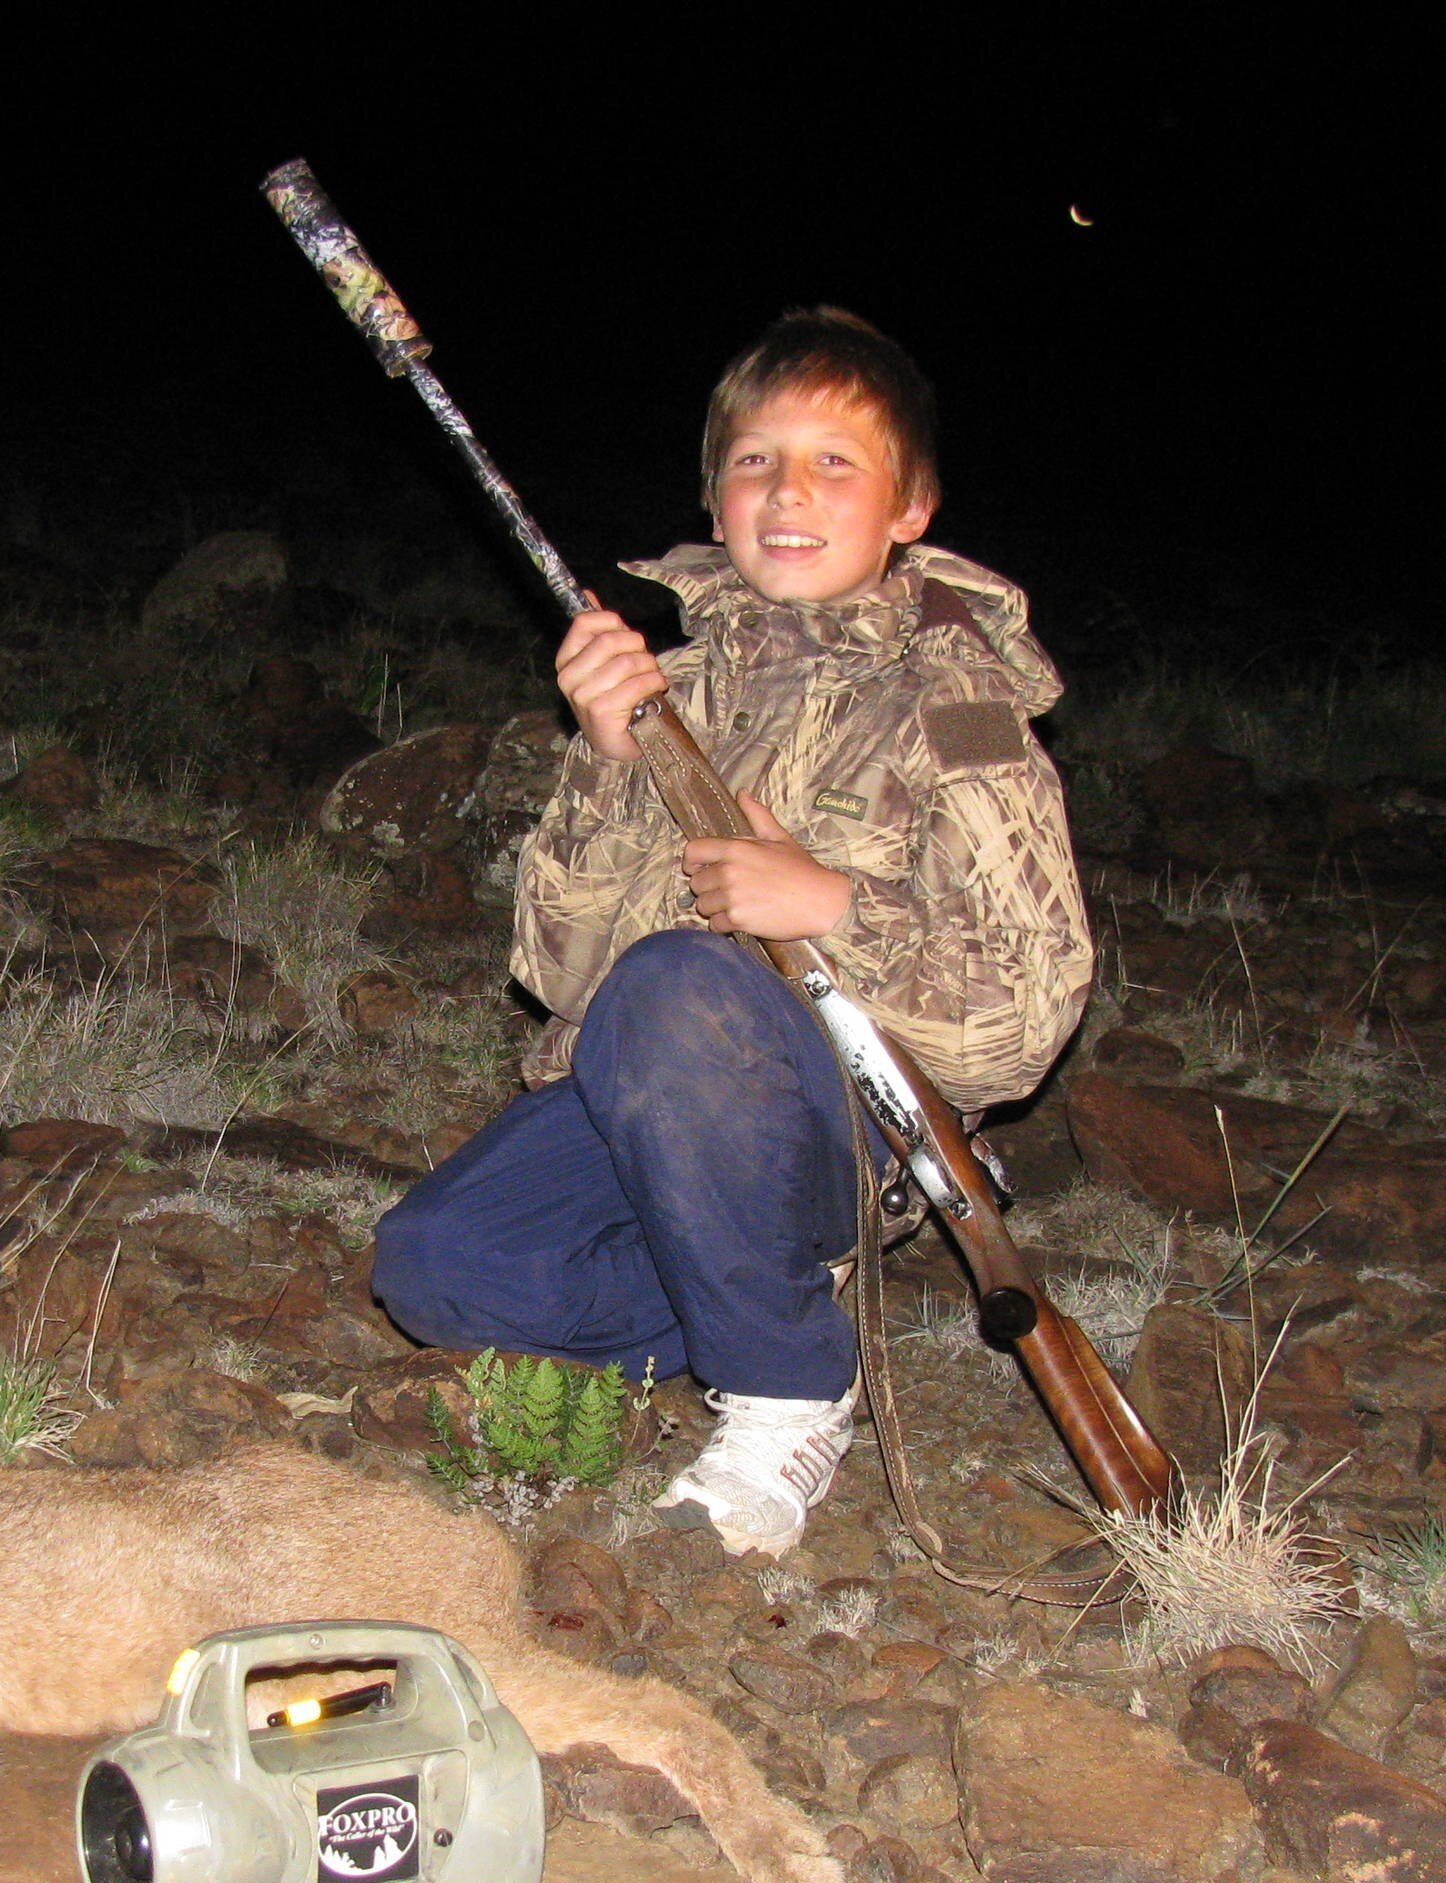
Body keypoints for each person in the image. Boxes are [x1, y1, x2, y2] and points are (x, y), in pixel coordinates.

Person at [371, 308, 1092, 1557]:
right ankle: (759, 1288)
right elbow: (552, 977)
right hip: (643, 1093)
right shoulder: (663, 693)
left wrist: (829, 908)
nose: (789, 490)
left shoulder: (954, 701)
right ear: (714, 497)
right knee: (434, 1268)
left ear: (909, 508)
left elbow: (1024, 1024)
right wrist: (604, 764)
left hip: (840, 1124)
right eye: (756, 460)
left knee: (674, 988)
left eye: (835, 463)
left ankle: (789, 1392)